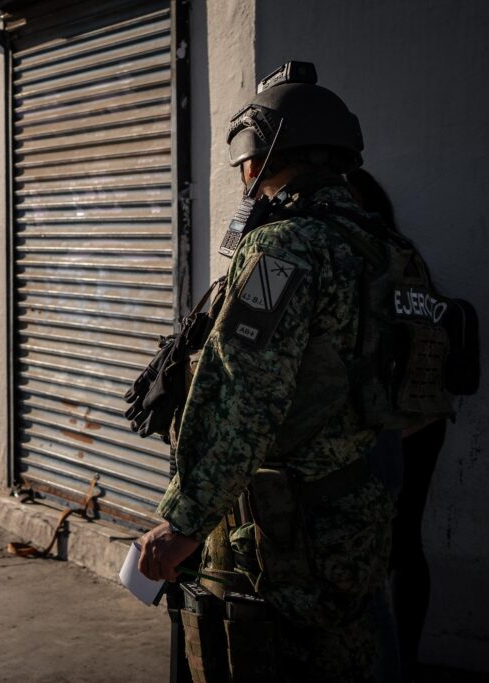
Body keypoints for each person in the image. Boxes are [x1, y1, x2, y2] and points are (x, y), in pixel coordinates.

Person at [138, 62, 394, 681]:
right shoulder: (379, 245)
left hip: (287, 527)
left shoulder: (282, 248)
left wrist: (185, 520)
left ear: (255, 159)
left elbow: (245, 394)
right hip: (358, 503)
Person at [347, 167, 449, 683]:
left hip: (388, 427)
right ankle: (404, 660)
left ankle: (385, 665)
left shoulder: (362, 260)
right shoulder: (408, 256)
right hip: (426, 417)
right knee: (405, 545)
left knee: (367, 552)